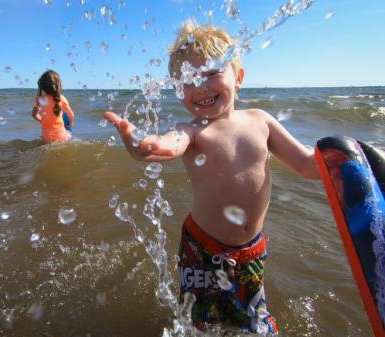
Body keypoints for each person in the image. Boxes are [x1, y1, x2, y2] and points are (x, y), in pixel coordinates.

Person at [105, 20, 321, 334]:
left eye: (211, 74)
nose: (201, 87)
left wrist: (342, 158)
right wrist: (145, 145)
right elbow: (168, 145)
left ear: (239, 77)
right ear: (178, 90)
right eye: (189, 81)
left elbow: (306, 164)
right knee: (197, 323)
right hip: (201, 248)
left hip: (251, 250)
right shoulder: (192, 131)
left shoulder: (261, 122)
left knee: (255, 323)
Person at [32, 70, 75, 144]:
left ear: (42, 86)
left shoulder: (38, 99)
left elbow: (34, 115)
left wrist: (42, 120)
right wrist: (70, 124)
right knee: (68, 134)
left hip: (46, 135)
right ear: (58, 85)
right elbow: (71, 115)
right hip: (60, 133)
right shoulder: (61, 98)